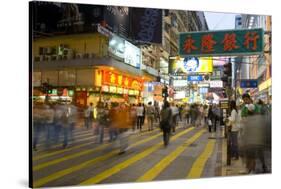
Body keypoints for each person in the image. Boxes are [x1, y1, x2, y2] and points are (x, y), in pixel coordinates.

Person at [240, 93, 268, 173]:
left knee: (259, 152)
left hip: (257, 132)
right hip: (248, 132)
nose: (245, 101)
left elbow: (258, 117)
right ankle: (250, 168)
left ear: (249, 98)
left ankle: (263, 165)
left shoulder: (256, 107)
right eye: (244, 100)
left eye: (246, 99)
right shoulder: (244, 108)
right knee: (250, 152)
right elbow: (243, 119)